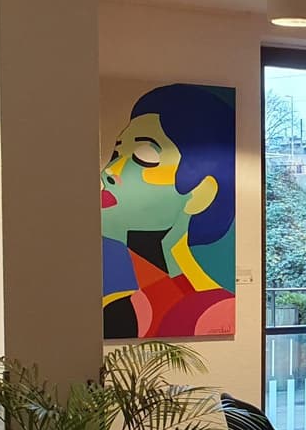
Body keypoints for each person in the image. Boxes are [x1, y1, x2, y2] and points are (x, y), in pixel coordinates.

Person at [101, 83, 235, 339]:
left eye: (144, 157)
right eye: (116, 154)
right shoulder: (122, 303)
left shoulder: (209, 314)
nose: (110, 171)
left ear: (200, 194)